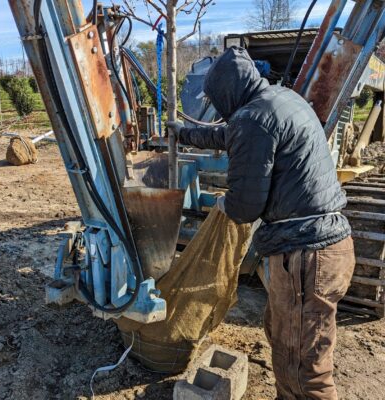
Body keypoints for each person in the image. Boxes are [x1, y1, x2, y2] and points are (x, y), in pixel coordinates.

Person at [167, 46, 355, 400]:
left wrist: (224, 203)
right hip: (327, 245)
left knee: (305, 371)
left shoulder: (251, 119)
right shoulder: (281, 99)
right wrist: (184, 133)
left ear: (224, 93)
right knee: (286, 342)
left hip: (305, 256)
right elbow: (228, 136)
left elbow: (245, 207)